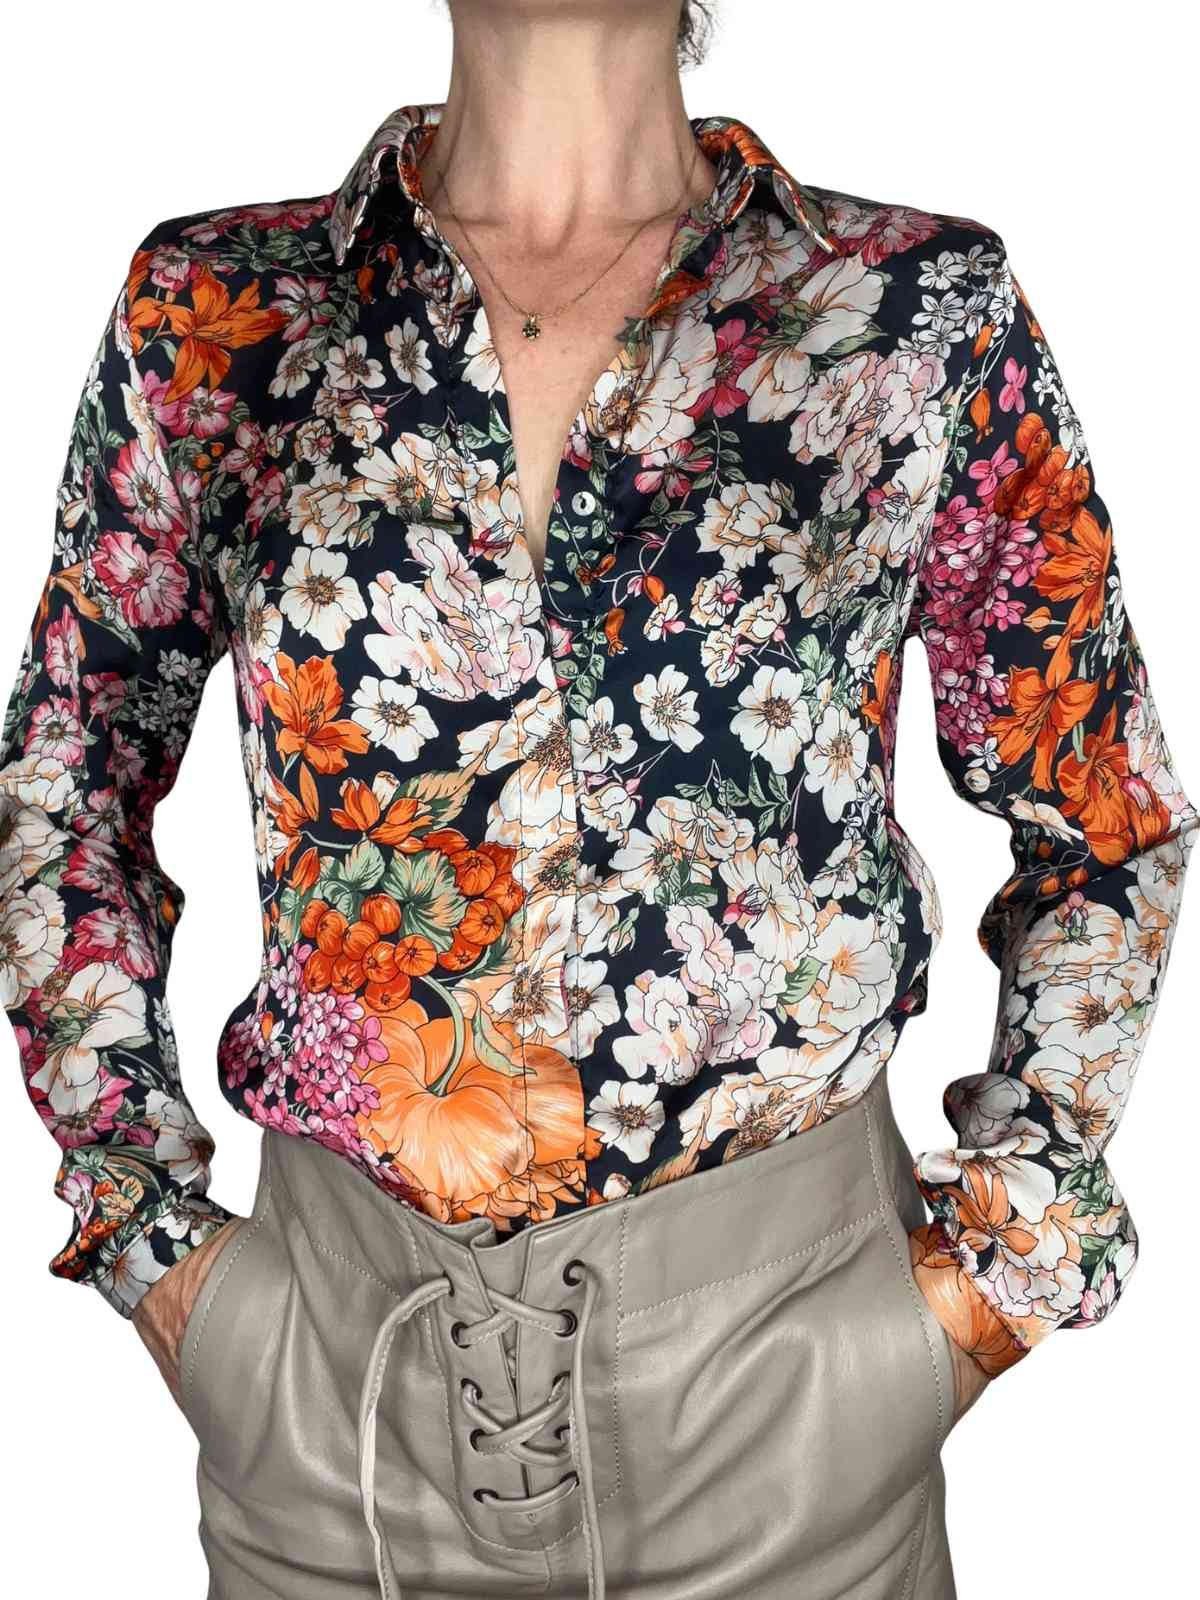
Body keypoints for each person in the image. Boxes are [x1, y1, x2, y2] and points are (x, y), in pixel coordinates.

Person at [1, 1, 1195, 1595]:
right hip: (331, 1429)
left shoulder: (913, 312)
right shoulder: (220, 312)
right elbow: (68, 781)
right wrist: (157, 1244)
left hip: (793, 1415)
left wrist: (986, 1287)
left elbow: (1102, 817)